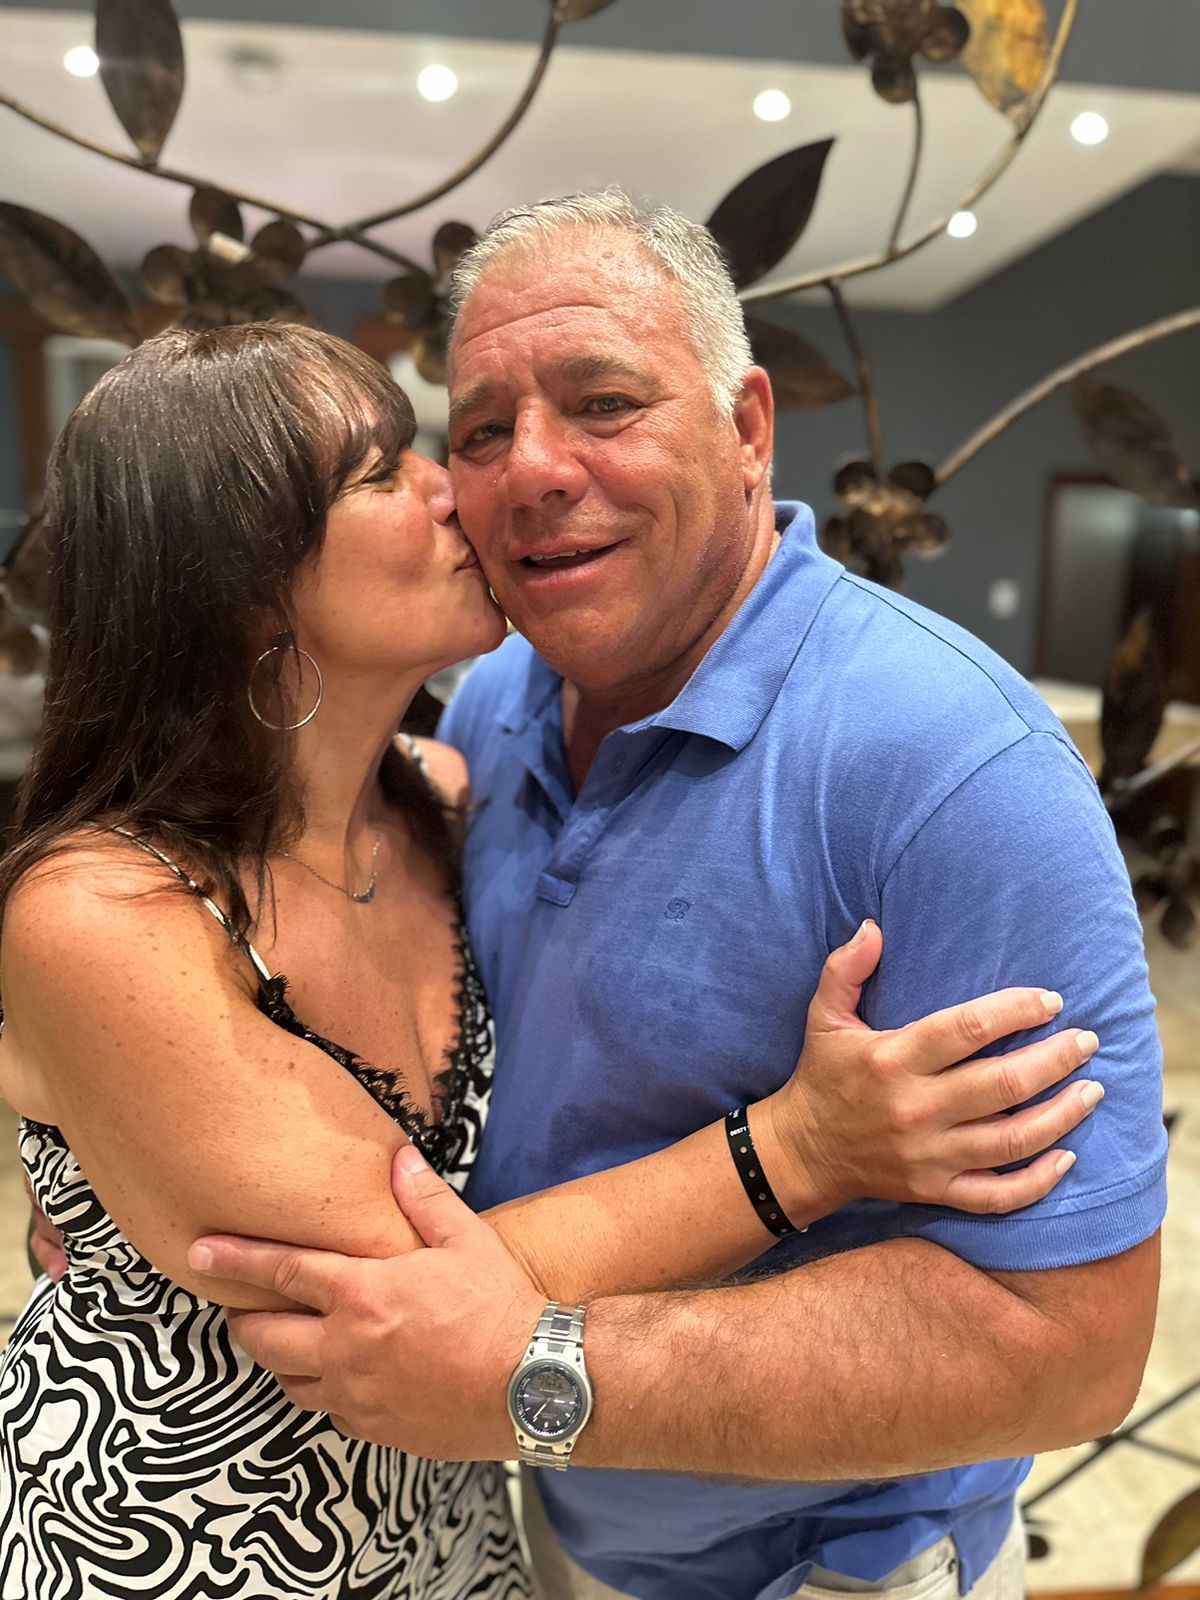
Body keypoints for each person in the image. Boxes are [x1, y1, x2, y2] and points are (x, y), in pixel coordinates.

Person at [0, 323, 1097, 1600]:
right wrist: (800, 1148)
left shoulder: (442, 795)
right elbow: (407, 1295)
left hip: (452, 1526)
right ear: (237, 581)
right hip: (179, 1535)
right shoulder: (107, 908)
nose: (456, 490)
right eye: (382, 471)